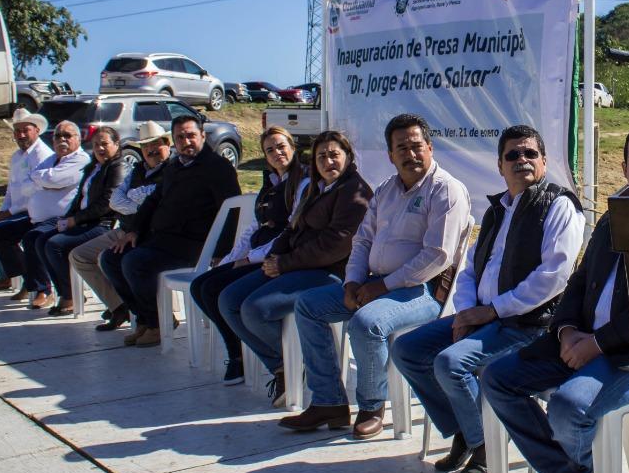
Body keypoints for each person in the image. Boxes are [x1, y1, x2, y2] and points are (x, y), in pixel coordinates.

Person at [483, 125, 629, 473]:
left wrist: (598, 343)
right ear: (624, 168)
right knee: (498, 379)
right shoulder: (615, 214)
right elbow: (580, 278)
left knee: (569, 407)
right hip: (584, 341)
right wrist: (568, 330)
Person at [391, 124, 584, 473]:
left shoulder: (558, 205)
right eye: (512, 154)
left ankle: (483, 445)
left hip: (527, 324)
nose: (521, 160)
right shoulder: (496, 210)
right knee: (407, 350)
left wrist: (492, 310)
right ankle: (469, 430)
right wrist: (466, 313)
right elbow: (468, 270)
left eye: (530, 154)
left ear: (544, 162)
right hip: (483, 318)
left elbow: (553, 277)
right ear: (500, 165)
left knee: (451, 363)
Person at [280, 113, 471, 440]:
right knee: (308, 306)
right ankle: (328, 402)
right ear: (390, 155)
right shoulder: (386, 189)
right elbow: (363, 239)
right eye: (402, 148)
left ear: (430, 147)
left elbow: (437, 256)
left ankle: (371, 405)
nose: (410, 154)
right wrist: (353, 281)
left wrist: (381, 286)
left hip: (422, 291)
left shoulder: (446, 190)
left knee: (366, 324)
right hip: (374, 283)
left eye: (416, 146)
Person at [216, 130, 373, 405]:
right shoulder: (317, 187)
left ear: (348, 157)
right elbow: (293, 228)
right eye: (321, 157)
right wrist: (274, 257)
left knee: (255, 309)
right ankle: (282, 365)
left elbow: (335, 245)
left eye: (335, 155)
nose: (328, 162)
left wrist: (285, 263)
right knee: (228, 299)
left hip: (330, 273)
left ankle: (294, 364)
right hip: (296, 265)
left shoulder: (355, 193)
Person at [100, 114, 241, 347]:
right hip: (161, 239)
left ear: (202, 136)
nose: (186, 142)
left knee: (135, 262)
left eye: (191, 136)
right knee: (111, 258)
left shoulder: (217, 167)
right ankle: (145, 319)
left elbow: (232, 210)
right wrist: (133, 231)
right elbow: (153, 201)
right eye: (180, 137)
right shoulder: (174, 166)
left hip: (193, 244)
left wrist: (223, 251)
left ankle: (157, 324)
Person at [188, 126, 308, 384]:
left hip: (276, 257)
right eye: (270, 150)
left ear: (293, 147)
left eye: (281, 146)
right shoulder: (271, 183)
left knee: (218, 292)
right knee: (201, 285)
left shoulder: (303, 182)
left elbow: (291, 230)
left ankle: (255, 357)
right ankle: (238, 348)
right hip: (257, 253)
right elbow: (254, 227)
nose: (277, 153)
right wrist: (233, 258)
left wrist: (250, 258)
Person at [68, 121, 172, 331]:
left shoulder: (172, 171)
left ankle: (149, 317)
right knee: (79, 256)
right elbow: (115, 201)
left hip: (147, 233)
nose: (150, 150)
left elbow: (157, 204)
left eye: (155, 144)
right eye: (145, 146)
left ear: (167, 143)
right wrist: (140, 200)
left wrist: (135, 200)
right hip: (125, 229)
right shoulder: (137, 170)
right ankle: (119, 306)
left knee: (117, 260)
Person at [39, 126, 126, 315]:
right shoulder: (94, 167)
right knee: (40, 240)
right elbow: (80, 198)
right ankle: (63, 292)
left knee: (55, 245)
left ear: (116, 144)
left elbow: (107, 204)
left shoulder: (117, 167)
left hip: (101, 224)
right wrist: (67, 218)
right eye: (96, 145)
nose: (100, 149)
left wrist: (74, 221)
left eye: (104, 144)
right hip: (83, 221)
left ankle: (70, 296)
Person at [0, 107, 54, 295]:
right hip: (17, 209)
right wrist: (2, 212)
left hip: (34, 212)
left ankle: (30, 280)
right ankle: (11, 271)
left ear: (36, 130)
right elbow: (11, 190)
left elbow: (36, 194)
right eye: (17, 131)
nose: (21, 135)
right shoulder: (17, 156)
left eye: (26, 130)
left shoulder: (42, 155)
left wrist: (8, 213)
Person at [18, 120, 90, 309]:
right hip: (37, 218)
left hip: (63, 218)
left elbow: (54, 179)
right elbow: (25, 186)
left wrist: (42, 179)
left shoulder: (80, 159)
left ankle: (47, 290)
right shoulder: (52, 159)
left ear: (78, 139)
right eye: (58, 136)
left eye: (68, 135)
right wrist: (45, 179)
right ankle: (26, 281)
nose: (62, 140)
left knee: (37, 239)